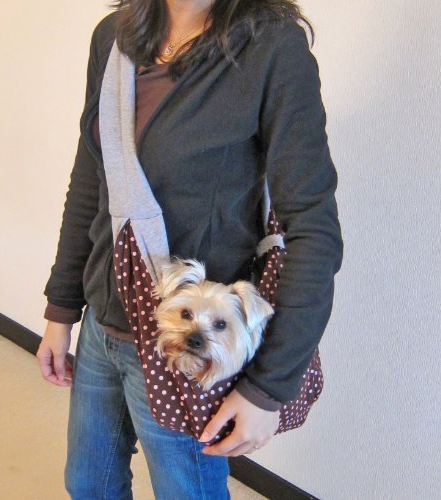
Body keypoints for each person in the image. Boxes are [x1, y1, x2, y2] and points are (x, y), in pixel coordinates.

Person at [36, 0, 343, 497]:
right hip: (103, 324)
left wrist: (268, 387)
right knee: (89, 485)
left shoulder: (271, 47)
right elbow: (93, 182)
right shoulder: (114, 37)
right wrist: (62, 307)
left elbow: (313, 227)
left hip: (189, 345)